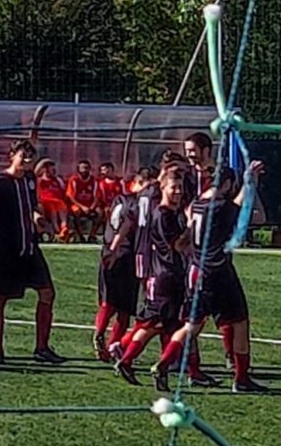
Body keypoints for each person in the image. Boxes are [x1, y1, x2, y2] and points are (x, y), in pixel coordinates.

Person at [0, 139, 64, 364]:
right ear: (11, 155)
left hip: (30, 246)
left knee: (47, 292)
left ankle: (42, 348)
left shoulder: (30, 180)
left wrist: (38, 219)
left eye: (30, 157)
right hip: (6, 250)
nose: (27, 160)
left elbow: (33, 206)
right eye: (23, 156)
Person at [184, 163, 265, 393]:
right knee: (239, 322)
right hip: (218, 271)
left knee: (194, 324)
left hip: (198, 269)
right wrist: (250, 183)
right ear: (228, 184)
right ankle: (241, 378)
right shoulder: (220, 206)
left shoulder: (198, 203)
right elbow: (248, 212)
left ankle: (191, 371)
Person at [116, 166, 196, 390]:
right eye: (173, 188)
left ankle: (159, 366)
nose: (178, 192)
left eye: (180, 188)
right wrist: (191, 225)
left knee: (163, 325)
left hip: (165, 275)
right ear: (163, 189)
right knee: (160, 324)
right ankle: (129, 359)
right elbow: (179, 244)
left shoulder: (168, 213)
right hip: (166, 276)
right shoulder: (163, 214)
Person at [93, 164, 152, 363]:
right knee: (125, 309)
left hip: (109, 249)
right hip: (125, 254)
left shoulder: (120, 199)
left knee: (108, 300)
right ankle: (112, 345)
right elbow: (127, 224)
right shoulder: (139, 203)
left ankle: (101, 334)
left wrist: (111, 248)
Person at [36, 158, 70, 242]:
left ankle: (64, 228)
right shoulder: (40, 180)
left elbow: (63, 193)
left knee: (61, 205)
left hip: (57, 201)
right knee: (53, 209)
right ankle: (57, 231)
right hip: (45, 201)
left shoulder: (57, 180)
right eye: (47, 168)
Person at [68, 160, 100, 238]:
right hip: (77, 205)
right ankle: (80, 235)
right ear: (78, 169)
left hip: (90, 205)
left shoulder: (94, 180)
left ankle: (92, 235)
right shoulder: (74, 179)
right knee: (76, 211)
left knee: (100, 212)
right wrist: (82, 207)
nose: (84, 170)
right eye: (82, 168)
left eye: (86, 168)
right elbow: (71, 196)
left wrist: (92, 207)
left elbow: (97, 196)